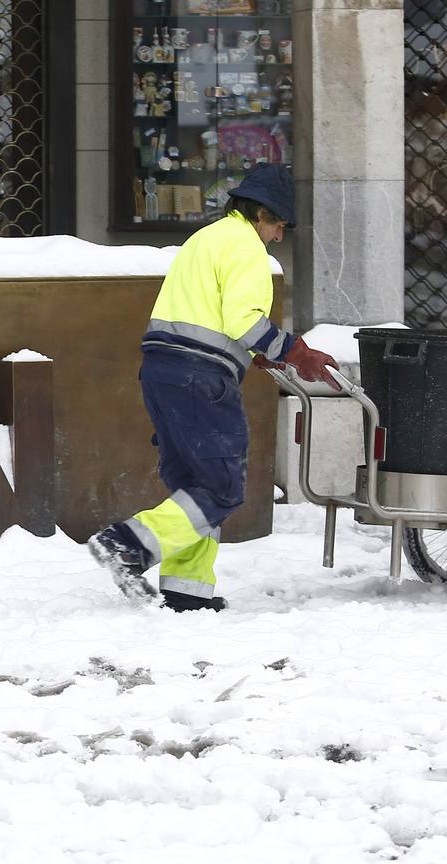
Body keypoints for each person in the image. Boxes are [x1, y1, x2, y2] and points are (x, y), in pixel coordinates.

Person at [86, 164, 337, 612]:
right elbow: (244, 320)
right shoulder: (247, 248)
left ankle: (187, 591)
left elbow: (211, 313)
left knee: (194, 485)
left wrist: (253, 354)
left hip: (163, 372)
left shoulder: (207, 238)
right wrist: (295, 352)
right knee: (221, 487)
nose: (279, 236)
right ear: (261, 214)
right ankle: (127, 545)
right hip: (200, 378)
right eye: (278, 223)